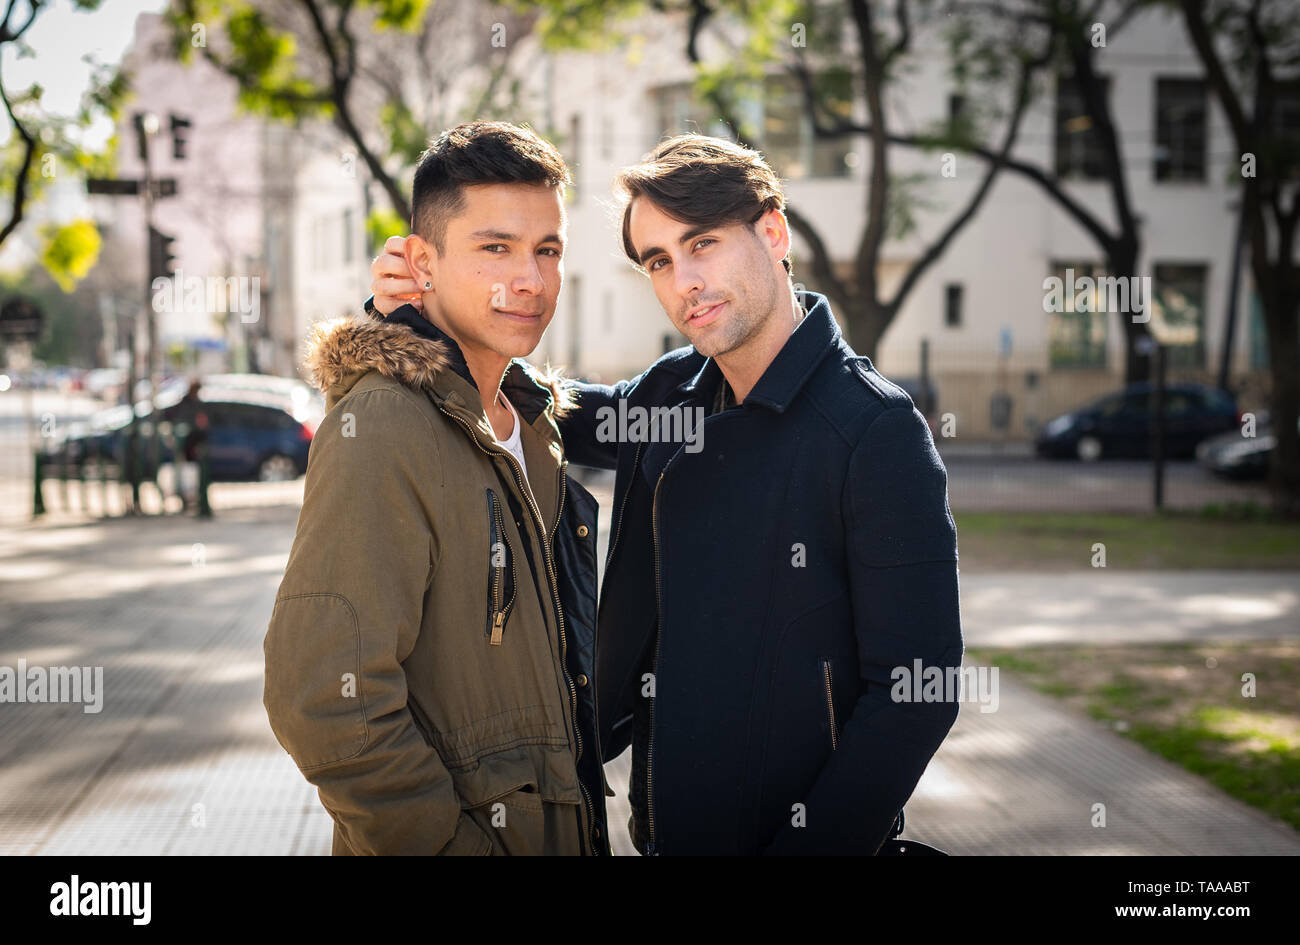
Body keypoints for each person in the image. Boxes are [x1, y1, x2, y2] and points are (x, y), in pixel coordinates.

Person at [370, 134, 964, 855]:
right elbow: (533, 401)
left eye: (703, 243)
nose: (685, 281)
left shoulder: (875, 430)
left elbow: (915, 692)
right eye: (659, 260)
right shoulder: (673, 392)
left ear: (772, 232)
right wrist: (410, 315)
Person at [265, 120, 608, 855]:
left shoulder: (536, 424)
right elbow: (323, 701)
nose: (531, 279)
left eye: (547, 250)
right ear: (421, 262)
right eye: (495, 248)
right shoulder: (382, 428)